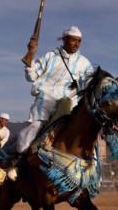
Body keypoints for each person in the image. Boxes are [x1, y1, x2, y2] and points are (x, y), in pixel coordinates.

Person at [9, 26, 94, 180]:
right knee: (35, 127)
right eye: (74, 40)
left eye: (79, 41)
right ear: (64, 40)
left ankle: (91, 171)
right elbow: (32, 76)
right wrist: (30, 57)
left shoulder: (84, 63)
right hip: (46, 99)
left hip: (70, 103)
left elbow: (90, 83)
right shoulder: (50, 56)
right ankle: (19, 161)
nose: (77, 44)